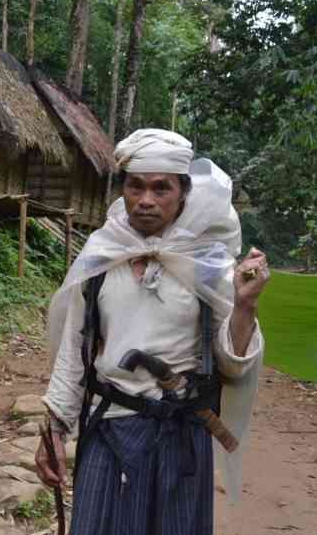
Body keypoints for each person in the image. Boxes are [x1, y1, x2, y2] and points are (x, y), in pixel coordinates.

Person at [33, 129, 269, 535]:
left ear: (182, 192)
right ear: (122, 189)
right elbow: (76, 347)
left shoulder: (207, 262)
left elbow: (231, 365)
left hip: (178, 436)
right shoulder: (104, 251)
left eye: (161, 188)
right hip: (107, 427)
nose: (146, 200)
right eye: (136, 186)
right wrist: (54, 429)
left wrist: (245, 305)